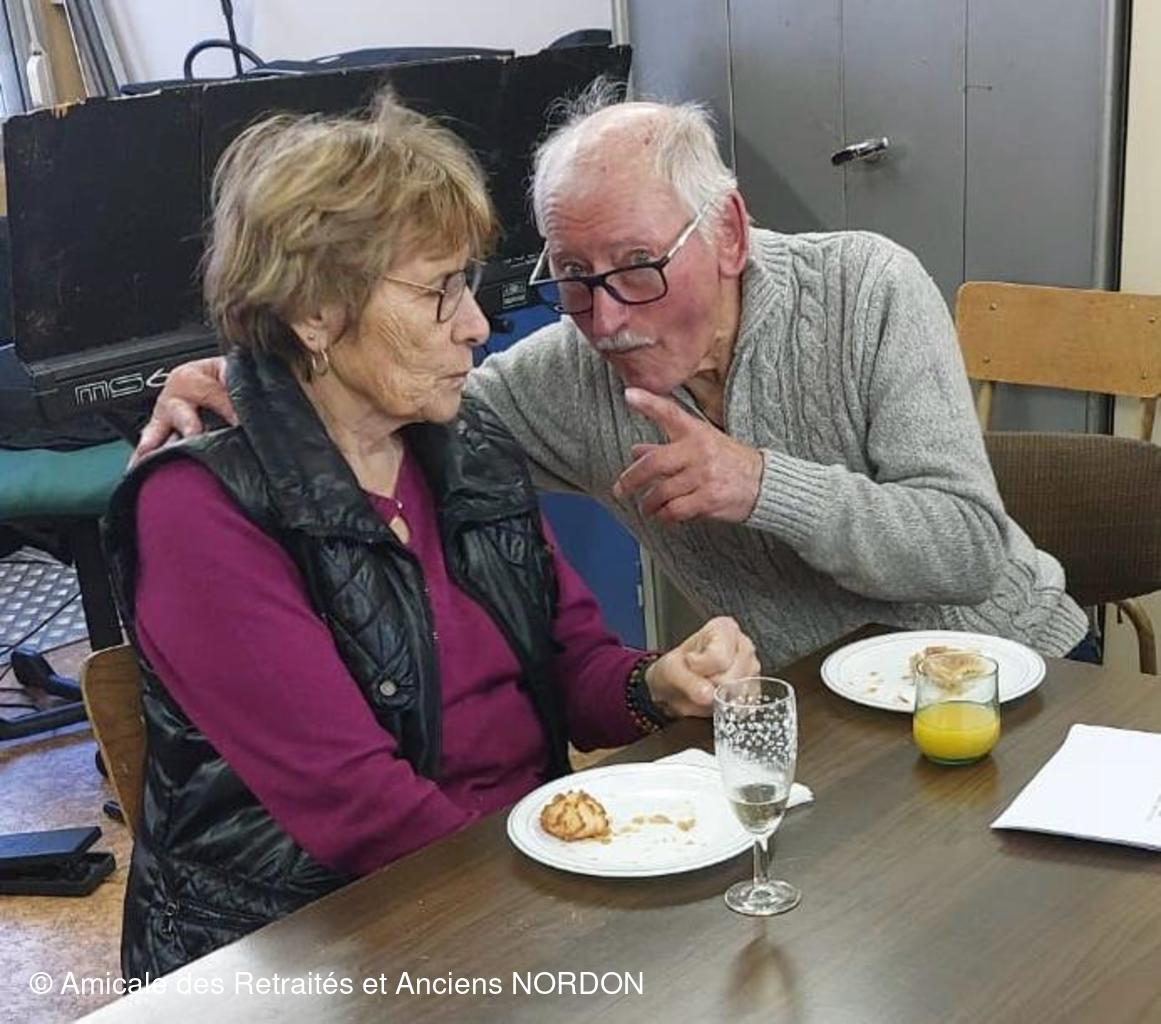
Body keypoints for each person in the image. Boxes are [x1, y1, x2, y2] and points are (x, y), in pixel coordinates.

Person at [105, 91, 760, 981]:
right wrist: (575, 922)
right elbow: (364, 814)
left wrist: (659, 683)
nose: (476, 325)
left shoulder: (465, 443)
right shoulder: (199, 511)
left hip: (501, 898)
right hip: (311, 954)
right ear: (314, 313)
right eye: (438, 290)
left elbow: (571, 670)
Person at [133, 89, 1091, 670]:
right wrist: (247, 371)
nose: (606, 318)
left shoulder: (864, 286)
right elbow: (389, 395)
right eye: (571, 277)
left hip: (1011, 668)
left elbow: (966, 550)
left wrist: (759, 485)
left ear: (727, 233)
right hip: (814, 723)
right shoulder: (560, 375)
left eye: (637, 266)